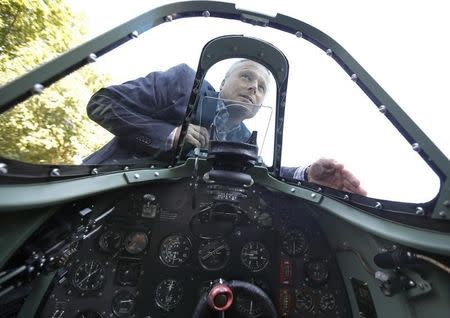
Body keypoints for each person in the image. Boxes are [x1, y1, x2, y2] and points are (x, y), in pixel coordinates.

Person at [84, 60, 367, 196]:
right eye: (246, 76)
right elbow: (102, 103)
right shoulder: (184, 83)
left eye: (261, 88)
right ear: (221, 83)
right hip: (97, 192)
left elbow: (265, 173)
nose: (253, 87)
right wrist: (170, 136)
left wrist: (306, 175)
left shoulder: (244, 141)